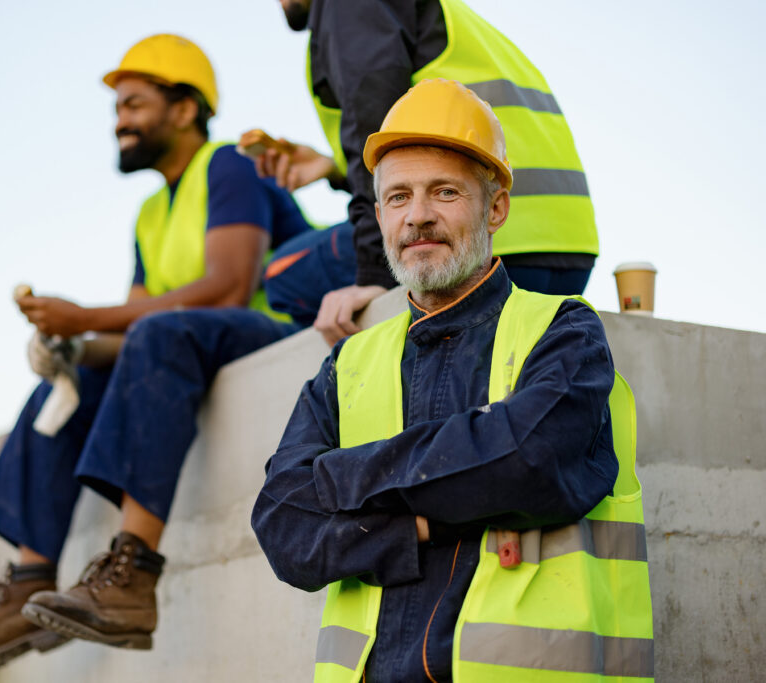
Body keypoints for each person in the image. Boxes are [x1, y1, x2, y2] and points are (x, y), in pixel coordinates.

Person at [0, 34, 314, 677]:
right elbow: (128, 328)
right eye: (117, 110)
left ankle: (132, 573)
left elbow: (227, 287)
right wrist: (70, 346)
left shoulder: (227, 165)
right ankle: (28, 577)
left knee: (154, 336)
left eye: (134, 105)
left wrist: (86, 316)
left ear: (185, 109)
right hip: (184, 347)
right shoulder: (150, 211)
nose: (120, 122)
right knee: (70, 381)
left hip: (272, 334)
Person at [251, 79, 653, 682]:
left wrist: (341, 476)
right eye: (397, 197)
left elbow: (524, 458)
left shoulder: (563, 330)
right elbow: (284, 522)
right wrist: (425, 524)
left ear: (495, 208)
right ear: (380, 212)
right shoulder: (349, 366)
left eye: (444, 193)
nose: (418, 217)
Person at [258, 0, 600, 344]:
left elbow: (372, 119)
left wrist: (374, 276)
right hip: (568, 253)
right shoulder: (451, 19)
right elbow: (435, 163)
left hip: (487, 249)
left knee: (281, 274)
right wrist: (336, 170)